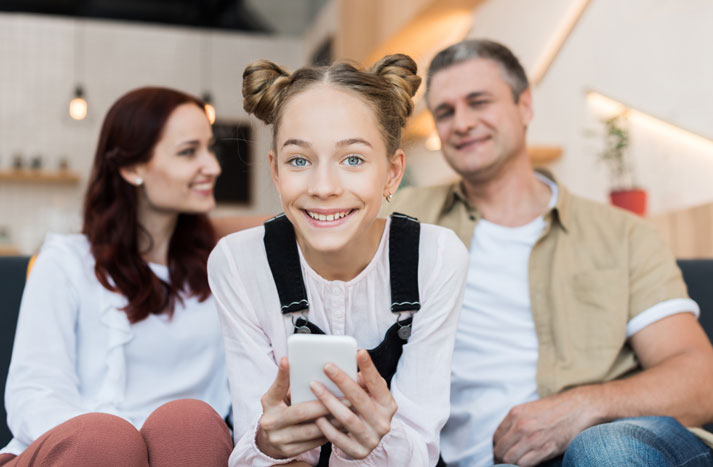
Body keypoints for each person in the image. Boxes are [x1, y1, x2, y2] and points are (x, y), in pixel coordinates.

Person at [387, 39, 713, 467]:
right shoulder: (401, 220)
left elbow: (699, 380)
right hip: (473, 459)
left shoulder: (621, 233)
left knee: (603, 449)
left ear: (524, 105)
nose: (461, 123)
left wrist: (582, 406)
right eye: (445, 112)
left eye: (478, 102)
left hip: (605, 447)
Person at [207, 54, 468, 467]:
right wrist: (269, 446)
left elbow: (420, 450)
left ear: (392, 173)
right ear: (275, 172)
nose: (324, 187)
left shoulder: (435, 258)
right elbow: (251, 439)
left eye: (353, 160)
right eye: (299, 160)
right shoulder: (238, 263)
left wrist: (381, 441)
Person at [0, 87, 233, 467]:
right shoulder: (65, 262)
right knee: (104, 440)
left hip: (182, 453)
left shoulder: (222, 266)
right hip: (80, 452)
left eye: (210, 149)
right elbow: (34, 393)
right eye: (189, 152)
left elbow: (288, 227)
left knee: (191, 425)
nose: (213, 166)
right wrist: (124, 449)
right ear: (131, 168)